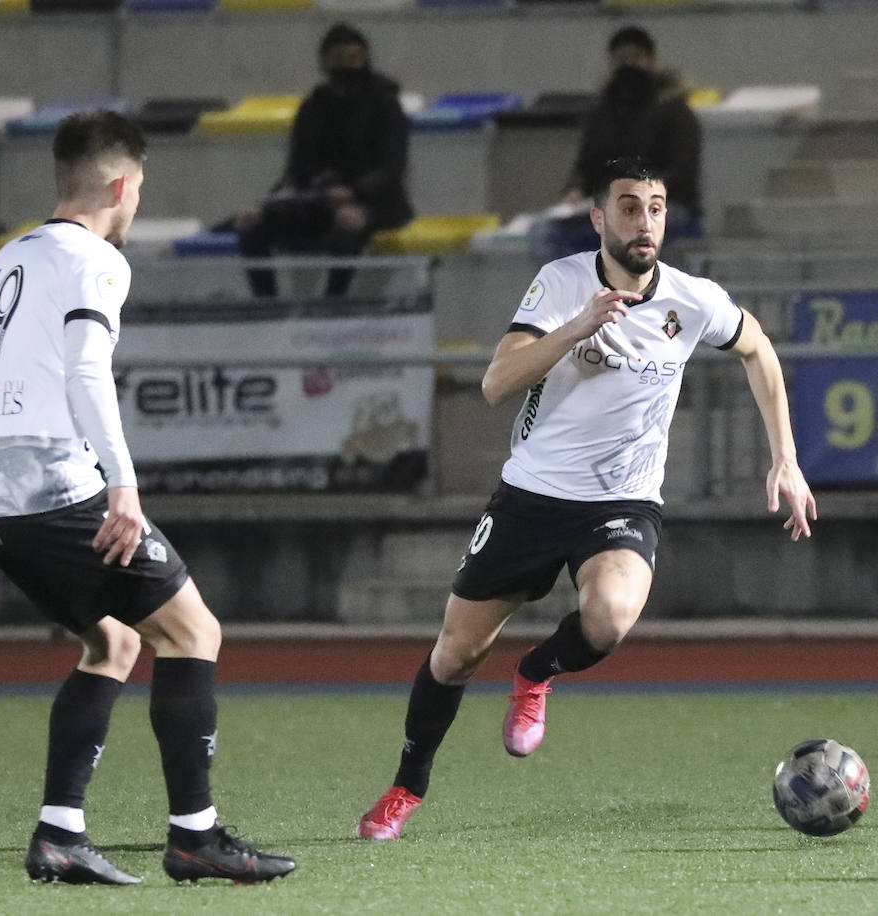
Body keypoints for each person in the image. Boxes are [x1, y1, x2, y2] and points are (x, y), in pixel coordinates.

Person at [357, 156, 817, 840]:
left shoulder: (692, 299)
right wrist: (579, 326)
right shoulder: (562, 282)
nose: (645, 220)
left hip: (623, 504)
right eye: (629, 206)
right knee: (455, 655)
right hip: (532, 497)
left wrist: (787, 458)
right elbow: (495, 383)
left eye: (656, 207)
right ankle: (404, 789)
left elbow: (758, 350)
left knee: (610, 617)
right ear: (599, 217)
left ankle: (536, 672)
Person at [0, 110, 296, 885]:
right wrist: (122, 483)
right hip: (55, 487)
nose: (138, 202)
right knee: (193, 633)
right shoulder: (96, 261)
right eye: (140, 189)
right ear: (122, 185)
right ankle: (197, 835)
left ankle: (60, 834)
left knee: (114, 643)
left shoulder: (0, 265)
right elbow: (86, 371)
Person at [235, 22, 411, 297]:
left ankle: (332, 305)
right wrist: (270, 204)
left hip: (376, 202)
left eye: (352, 58)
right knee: (251, 226)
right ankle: (266, 305)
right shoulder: (314, 106)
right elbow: (296, 167)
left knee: (347, 225)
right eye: (337, 59)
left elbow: (391, 168)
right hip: (317, 200)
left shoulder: (385, 104)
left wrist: (354, 192)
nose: (346, 67)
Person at [532, 26, 703, 261]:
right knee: (546, 230)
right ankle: (572, 295)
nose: (629, 66)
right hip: (612, 206)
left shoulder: (675, 111)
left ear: (651, 61)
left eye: (636, 58)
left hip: (666, 207)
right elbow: (585, 166)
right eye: (622, 60)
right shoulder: (602, 114)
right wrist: (575, 191)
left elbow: (682, 174)